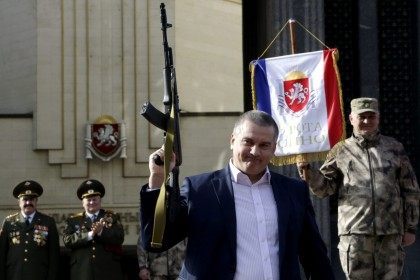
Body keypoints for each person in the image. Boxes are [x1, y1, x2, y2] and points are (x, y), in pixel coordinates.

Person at [139, 110, 334, 280]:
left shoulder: (294, 191)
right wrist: (157, 178)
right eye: (248, 142)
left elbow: (314, 256)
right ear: (233, 140)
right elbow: (156, 241)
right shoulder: (200, 189)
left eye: (264, 145)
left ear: (274, 148)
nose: (254, 152)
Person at [297, 97, 420, 280]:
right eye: (362, 117)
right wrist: (308, 173)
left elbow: (410, 189)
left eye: (371, 117)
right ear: (351, 118)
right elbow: (325, 188)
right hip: (355, 233)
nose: (366, 121)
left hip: (390, 233)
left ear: (378, 118)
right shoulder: (340, 150)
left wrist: (410, 228)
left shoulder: (394, 148)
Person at [63, 179, 125, 280]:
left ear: (100, 200)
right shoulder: (73, 220)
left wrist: (101, 232)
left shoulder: (112, 217)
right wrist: (90, 235)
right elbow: (67, 240)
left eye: (95, 199)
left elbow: (119, 237)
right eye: (88, 200)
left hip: (107, 271)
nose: (92, 202)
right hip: (83, 271)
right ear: (83, 202)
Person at [0, 180, 60, 280]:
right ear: (19, 202)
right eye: (25, 199)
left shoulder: (48, 222)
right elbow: (2, 255)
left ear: (36, 201)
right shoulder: (9, 222)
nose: (28, 203)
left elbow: (54, 256)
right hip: (14, 275)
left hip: (39, 275)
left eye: (32, 199)